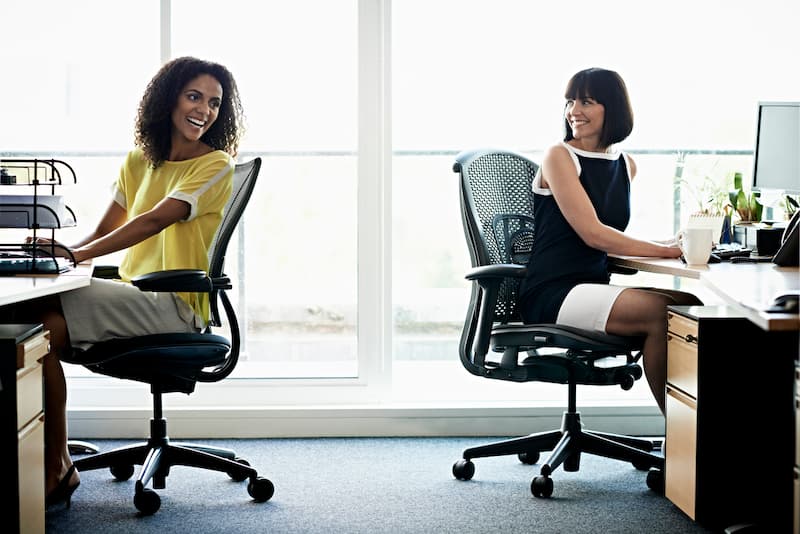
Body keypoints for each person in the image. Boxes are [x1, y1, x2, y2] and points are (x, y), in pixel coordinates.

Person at [15, 56, 245, 507]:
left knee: (32, 331)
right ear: (168, 99)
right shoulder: (140, 160)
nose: (205, 110)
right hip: (135, 294)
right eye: (194, 96)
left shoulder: (215, 163)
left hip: (173, 304)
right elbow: (105, 230)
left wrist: (78, 257)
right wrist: (62, 251)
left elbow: (154, 222)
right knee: (32, 336)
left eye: (215, 103)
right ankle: (53, 459)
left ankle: (54, 465)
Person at [518, 67, 702, 415]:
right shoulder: (559, 156)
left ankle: (695, 427)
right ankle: (682, 440)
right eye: (570, 101)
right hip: (554, 292)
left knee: (691, 305)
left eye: (586, 101)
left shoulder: (625, 164)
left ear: (612, 108)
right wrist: (665, 251)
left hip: (591, 288)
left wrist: (666, 243)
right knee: (662, 313)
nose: (574, 111)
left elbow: (610, 232)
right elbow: (593, 233)